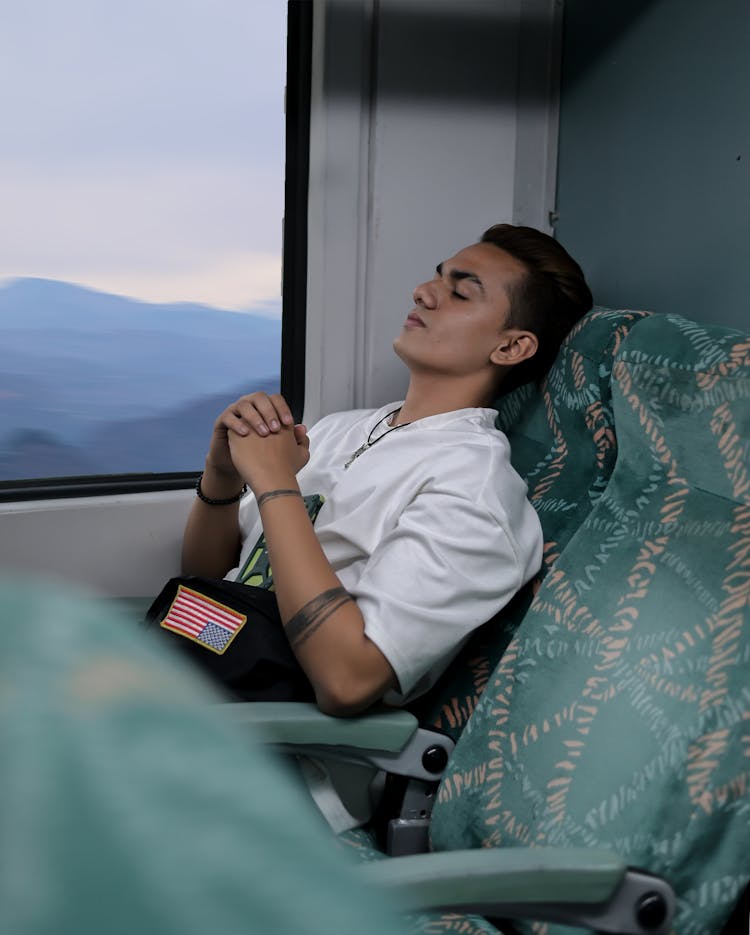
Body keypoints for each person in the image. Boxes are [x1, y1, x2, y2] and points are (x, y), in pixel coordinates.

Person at [181, 223, 593, 719]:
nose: (424, 292)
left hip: (267, 741)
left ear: (509, 348)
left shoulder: (474, 488)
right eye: (437, 278)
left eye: (461, 292)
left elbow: (347, 680)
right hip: (200, 673)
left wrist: (276, 486)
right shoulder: (341, 430)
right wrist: (222, 476)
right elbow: (209, 580)